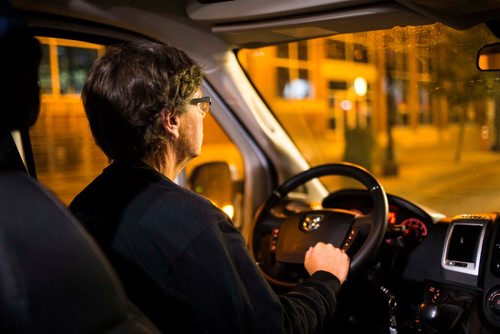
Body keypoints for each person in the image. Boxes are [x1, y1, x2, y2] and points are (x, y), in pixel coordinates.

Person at [69, 39, 350, 334]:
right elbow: (275, 329)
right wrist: (324, 278)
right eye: (200, 104)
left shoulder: (83, 206)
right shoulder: (194, 224)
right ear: (173, 120)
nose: (204, 115)